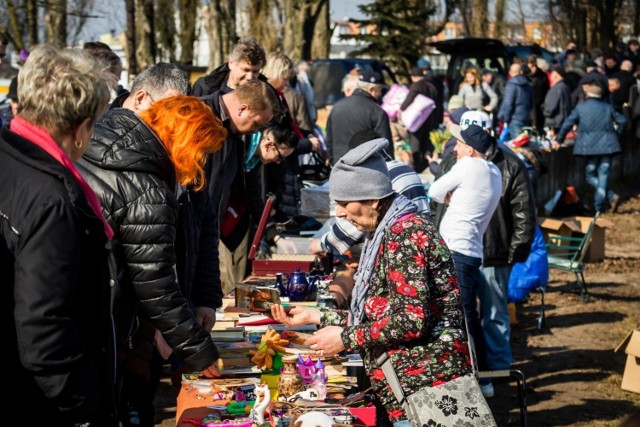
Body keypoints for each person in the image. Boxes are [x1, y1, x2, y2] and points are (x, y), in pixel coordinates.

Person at [271, 138, 471, 426]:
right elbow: (382, 313)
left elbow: (410, 320)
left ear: (373, 199)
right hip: (414, 387)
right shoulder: (389, 231)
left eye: (343, 203)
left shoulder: (405, 235)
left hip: (427, 390)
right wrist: (318, 315)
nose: (339, 212)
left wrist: (345, 337)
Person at [78, 67, 225, 425]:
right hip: (108, 323)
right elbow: (155, 281)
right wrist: (199, 351)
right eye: (200, 152)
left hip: (80, 313)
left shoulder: (100, 138)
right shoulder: (148, 184)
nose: (199, 164)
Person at [0, 44, 117, 425]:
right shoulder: (51, 198)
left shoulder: (10, 155)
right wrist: (88, 404)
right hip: (35, 399)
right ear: (82, 128)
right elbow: (44, 326)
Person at [428, 124, 502, 396]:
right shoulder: (494, 172)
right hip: (471, 252)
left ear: (470, 149)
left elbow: (434, 190)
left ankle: (479, 382)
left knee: (462, 318)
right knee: (468, 315)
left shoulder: (468, 165)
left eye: (458, 144)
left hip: (456, 250)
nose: (455, 149)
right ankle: (481, 379)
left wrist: (450, 197)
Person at [201, 79, 281, 295]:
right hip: (190, 229)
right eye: (256, 124)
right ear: (243, 108)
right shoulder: (199, 115)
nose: (254, 131)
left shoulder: (236, 135)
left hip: (210, 230)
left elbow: (244, 184)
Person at [309, 130, 429, 256]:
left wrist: (322, 244)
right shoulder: (402, 167)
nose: (340, 213)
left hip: (408, 248)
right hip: (421, 238)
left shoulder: (376, 177)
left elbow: (355, 223)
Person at [553, 83, 627, 213]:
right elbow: (623, 121)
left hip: (589, 147)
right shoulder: (608, 107)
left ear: (588, 95)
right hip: (608, 146)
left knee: (590, 175)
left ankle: (602, 204)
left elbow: (567, 124)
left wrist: (559, 140)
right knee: (603, 174)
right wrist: (616, 134)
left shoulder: (581, 108)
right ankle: (604, 201)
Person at [326, 69, 392, 163]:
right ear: (371, 89)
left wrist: (333, 165)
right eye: (380, 90)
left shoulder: (336, 107)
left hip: (339, 166)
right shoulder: (376, 111)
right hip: (366, 168)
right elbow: (385, 147)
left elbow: (329, 141)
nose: (380, 94)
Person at [398, 66, 441, 172]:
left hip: (416, 120)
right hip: (429, 119)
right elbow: (438, 104)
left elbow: (409, 99)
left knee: (415, 142)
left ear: (413, 77)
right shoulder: (432, 87)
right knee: (426, 141)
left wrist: (401, 109)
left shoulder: (415, 86)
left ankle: (417, 166)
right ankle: (428, 162)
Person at [193, 37, 267, 96]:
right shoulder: (205, 88)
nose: (250, 77)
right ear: (231, 63)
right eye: (245, 70)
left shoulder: (267, 94)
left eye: (255, 71)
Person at [498, 63, 533, 138]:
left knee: (517, 145)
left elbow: (508, 104)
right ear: (521, 72)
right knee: (524, 141)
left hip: (514, 118)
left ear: (510, 72)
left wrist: (504, 118)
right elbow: (531, 102)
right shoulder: (528, 84)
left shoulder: (511, 84)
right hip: (525, 117)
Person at [543, 65, 572, 135]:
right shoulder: (565, 87)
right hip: (562, 121)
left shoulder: (556, 89)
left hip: (553, 123)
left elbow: (550, 108)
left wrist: (545, 112)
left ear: (556, 75)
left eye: (552, 74)